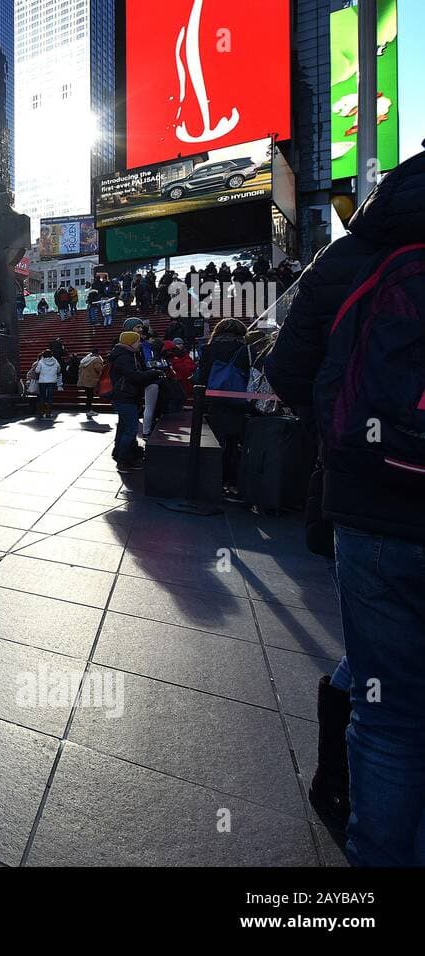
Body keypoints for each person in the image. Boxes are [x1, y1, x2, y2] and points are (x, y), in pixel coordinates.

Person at [265, 145, 425, 866]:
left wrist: (340, 436)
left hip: (371, 508)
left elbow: (288, 366)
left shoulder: (358, 250)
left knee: (389, 717)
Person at [194, 318, 251, 496]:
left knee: (215, 441)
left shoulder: (209, 349)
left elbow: (202, 376)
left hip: (213, 399)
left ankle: (212, 479)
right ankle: (231, 481)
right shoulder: (245, 349)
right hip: (238, 400)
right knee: (235, 442)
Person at [108, 331, 160, 472]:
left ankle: (122, 456)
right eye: (137, 341)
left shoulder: (125, 355)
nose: (140, 344)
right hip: (125, 396)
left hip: (124, 396)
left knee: (124, 428)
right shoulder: (124, 357)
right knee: (130, 430)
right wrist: (152, 373)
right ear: (130, 342)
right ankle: (123, 461)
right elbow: (133, 376)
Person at [30, 349, 62, 419]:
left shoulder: (41, 361)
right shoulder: (55, 361)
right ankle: (48, 412)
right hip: (52, 381)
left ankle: (42, 412)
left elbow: (37, 371)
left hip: (43, 381)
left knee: (42, 396)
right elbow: (59, 370)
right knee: (50, 397)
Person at [77, 349, 105, 418]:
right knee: (90, 396)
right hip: (91, 380)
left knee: (88, 395)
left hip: (84, 380)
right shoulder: (96, 360)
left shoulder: (85, 359)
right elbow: (99, 369)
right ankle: (90, 410)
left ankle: (89, 409)